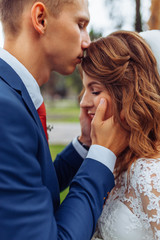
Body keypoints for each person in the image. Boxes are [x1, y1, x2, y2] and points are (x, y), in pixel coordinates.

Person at [0, 1, 128, 240]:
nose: (87, 41)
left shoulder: (11, 95)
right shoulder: (5, 110)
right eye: (80, 24)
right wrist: (102, 154)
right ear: (41, 19)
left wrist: (85, 143)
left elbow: (31, 187)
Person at [79, 30, 160, 240]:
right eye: (84, 90)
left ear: (127, 94)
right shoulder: (117, 161)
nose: (83, 102)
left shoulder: (151, 175)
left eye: (94, 91)